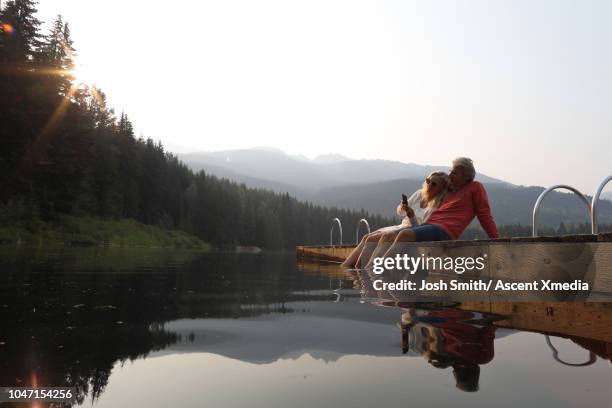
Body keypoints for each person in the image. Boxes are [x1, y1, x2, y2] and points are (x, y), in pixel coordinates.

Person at [374, 157, 499, 262]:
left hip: (445, 230)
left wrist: (496, 240)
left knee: (405, 234)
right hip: (430, 225)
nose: (450, 175)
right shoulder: (452, 191)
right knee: (389, 236)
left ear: (466, 176)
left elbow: (484, 215)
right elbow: (437, 187)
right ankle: (371, 271)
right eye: (450, 171)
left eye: (454, 173)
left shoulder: (475, 187)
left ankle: (378, 272)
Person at [341, 171, 449, 268]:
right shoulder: (419, 194)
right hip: (401, 226)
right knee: (366, 238)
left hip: (411, 231)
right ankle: (346, 269)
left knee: (371, 240)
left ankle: (361, 272)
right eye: (428, 181)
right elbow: (400, 212)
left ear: (441, 189)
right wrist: (403, 207)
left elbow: (421, 230)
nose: (429, 185)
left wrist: (411, 216)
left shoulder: (438, 205)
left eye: (434, 184)